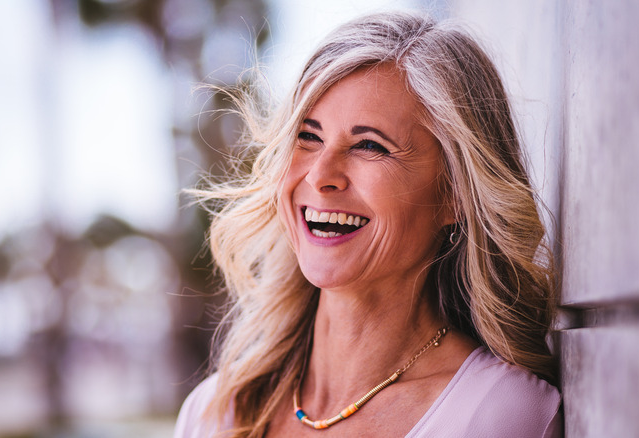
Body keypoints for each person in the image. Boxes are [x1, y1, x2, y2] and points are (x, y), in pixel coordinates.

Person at [175, 11, 562, 438]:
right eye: (308, 136)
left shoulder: (500, 414)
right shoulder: (213, 414)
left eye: (369, 145)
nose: (321, 175)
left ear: (455, 193)